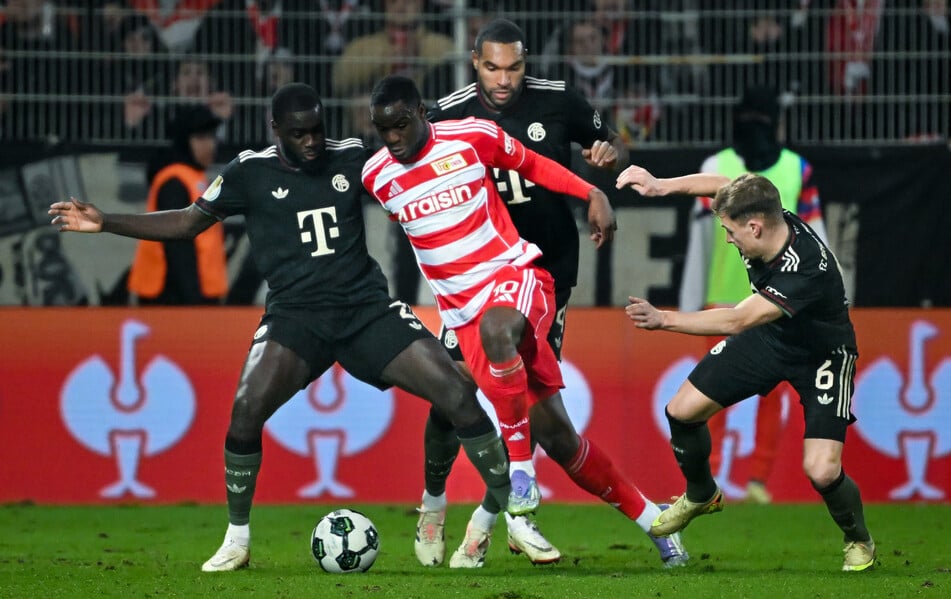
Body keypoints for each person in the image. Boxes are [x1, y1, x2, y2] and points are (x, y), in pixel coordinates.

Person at [48, 82, 516, 573]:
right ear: (277, 131)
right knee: (246, 410)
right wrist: (106, 223)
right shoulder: (248, 173)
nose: (312, 142)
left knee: (458, 393)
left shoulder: (353, 157)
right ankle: (237, 539)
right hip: (295, 319)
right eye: (300, 134)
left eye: (317, 131)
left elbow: (418, 150)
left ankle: (493, 513)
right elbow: (187, 224)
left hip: (365, 311)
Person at [363, 74, 687, 571]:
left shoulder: (471, 134)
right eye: (383, 129)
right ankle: (655, 521)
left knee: (498, 331)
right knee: (558, 437)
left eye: (401, 125)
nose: (393, 138)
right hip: (460, 313)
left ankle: (518, 479)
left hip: (517, 276)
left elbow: (533, 164)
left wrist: (590, 194)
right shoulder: (376, 175)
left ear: (423, 112)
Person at [616, 166, 876, 572]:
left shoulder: (806, 268)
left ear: (754, 228)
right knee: (681, 411)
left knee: (821, 470)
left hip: (823, 354)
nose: (727, 238)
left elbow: (736, 320)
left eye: (731, 233)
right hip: (772, 337)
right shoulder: (760, 211)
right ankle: (701, 493)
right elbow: (721, 184)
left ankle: (859, 540)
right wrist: (661, 185)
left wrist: (663, 320)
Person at [680, 84, 829, 504]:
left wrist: (690, 300)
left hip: (733, 298)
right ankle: (751, 481)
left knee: (711, 392)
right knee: (763, 393)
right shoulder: (797, 169)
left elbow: (700, 244)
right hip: (773, 303)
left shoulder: (718, 164)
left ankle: (716, 482)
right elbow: (818, 239)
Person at [128, 104, 228, 305]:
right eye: (201, 138)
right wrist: (193, 299)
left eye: (211, 137)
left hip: (188, 292)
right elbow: (177, 244)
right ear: (184, 141)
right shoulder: (174, 181)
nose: (210, 145)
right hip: (170, 295)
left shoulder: (193, 177)